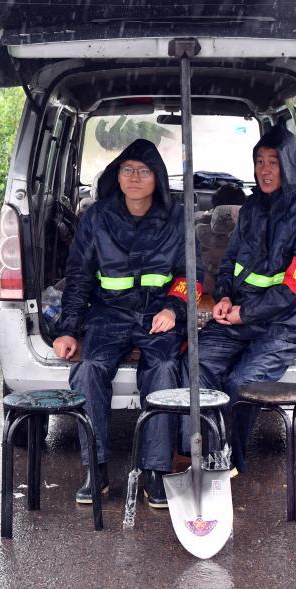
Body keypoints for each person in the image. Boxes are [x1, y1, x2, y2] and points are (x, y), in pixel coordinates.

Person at [52, 139, 203, 508]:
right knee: (88, 370)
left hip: (158, 316)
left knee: (165, 369)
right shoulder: (97, 218)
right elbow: (78, 277)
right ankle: (97, 468)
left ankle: (155, 470)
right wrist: (69, 329)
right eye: (127, 170)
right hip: (108, 315)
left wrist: (173, 309)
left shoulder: (177, 218)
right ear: (116, 176)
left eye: (144, 171)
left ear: (158, 179)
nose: (135, 177)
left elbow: (191, 277)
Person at [186, 126, 296, 473]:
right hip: (241, 315)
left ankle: (227, 462)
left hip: (285, 326)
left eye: (273, 162)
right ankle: (203, 453)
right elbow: (231, 258)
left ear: (290, 165)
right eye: (259, 162)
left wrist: (245, 312)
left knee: (241, 383)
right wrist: (224, 297)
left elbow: (294, 291)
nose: (265, 170)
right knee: (198, 362)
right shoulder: (252, 206)